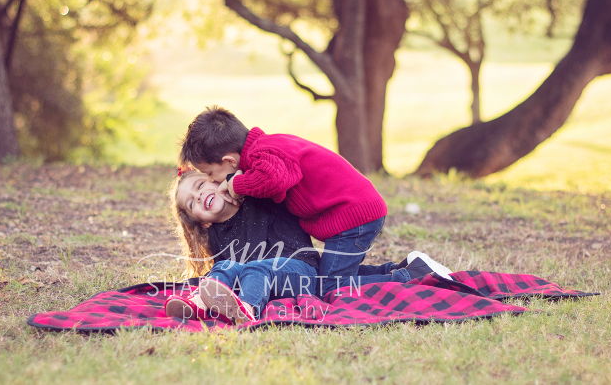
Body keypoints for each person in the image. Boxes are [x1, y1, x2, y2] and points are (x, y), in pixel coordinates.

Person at [178, 106, 453, 297]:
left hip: (355, 216)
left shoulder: (265, 154)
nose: (218, 182)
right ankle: (396, 269)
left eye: (213, 175)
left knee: (334, 288)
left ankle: (412, 276)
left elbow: (276, 180)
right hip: (352, 214)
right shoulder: (264, 150)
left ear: (229, 161)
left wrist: (237, 185)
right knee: (332, 270)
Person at [165, 169, 321, 324]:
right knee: (224, 265)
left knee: (256, 268)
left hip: (302, 273)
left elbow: (270, 175)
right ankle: (198, 303)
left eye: (200, 185)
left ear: (217, 180)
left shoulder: (258, 197)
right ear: (203, 222)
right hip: (265, 285)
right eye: (191, 204)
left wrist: (235, 182)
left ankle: (246, 311)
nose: (198, 196)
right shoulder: (215, 233)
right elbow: (232, 275)